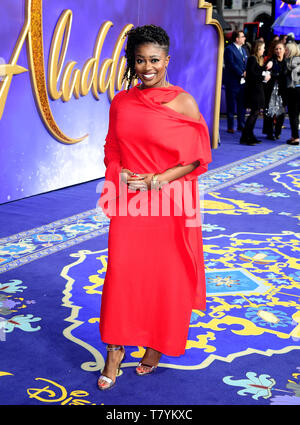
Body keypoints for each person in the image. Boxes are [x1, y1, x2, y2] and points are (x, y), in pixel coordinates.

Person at [97, 25, 212, 390]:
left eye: (154, 60)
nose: (147, 67)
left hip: (170, 202)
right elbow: (111, 147)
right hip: (129, 201)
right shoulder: (121, 101)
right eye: (140, 60)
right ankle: (114, 351)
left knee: (166, 278)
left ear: (167, 60)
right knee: (122, 275)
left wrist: (158, 179)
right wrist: (121, 170)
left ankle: (155, 347)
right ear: (132, 61)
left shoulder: (183, 102)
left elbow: (198, 157)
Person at [240, 40, 271, 145]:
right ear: (258, 48)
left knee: (255, 113)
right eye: (263, 48)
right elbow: (252, 74)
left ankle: (248, 135)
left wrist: (266, 68)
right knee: (254, 114)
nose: (264, 50)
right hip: (253, 91)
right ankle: (246, 136)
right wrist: (264, 76)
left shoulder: (257, 59)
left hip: (257, 90)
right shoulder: (252, 59)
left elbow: (257, 71)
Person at [223, 30, 248, 133]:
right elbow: (231, 64)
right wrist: (242, 73)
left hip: (242, 82)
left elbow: (245, 63)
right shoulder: (229, 49)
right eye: (242, 36)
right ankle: (230, 126)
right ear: (237, 39)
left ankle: (241, 125)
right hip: (232, 82)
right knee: (231, 105)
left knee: (241, 105)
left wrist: (246, 72)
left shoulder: (244, 50)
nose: (244, 38)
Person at [263, 41, 287, 140]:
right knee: (269, 111)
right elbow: (266, 73)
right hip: (271, 90)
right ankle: (269, 133)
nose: (278, 51)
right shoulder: (271, 60)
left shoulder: (287, 61)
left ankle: (277, 132)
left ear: (284, 50)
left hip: (283, 90)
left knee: (281, 112)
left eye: (280, 49)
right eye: (276, 49)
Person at [284, 42, 300, 145]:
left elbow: (291, 76)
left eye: (286, 50)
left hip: (294, 90)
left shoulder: (291, 61)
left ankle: (295, 137)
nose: (285, 51)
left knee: (293, 115)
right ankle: (294, 136)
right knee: (296, 115)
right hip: (297, 89)